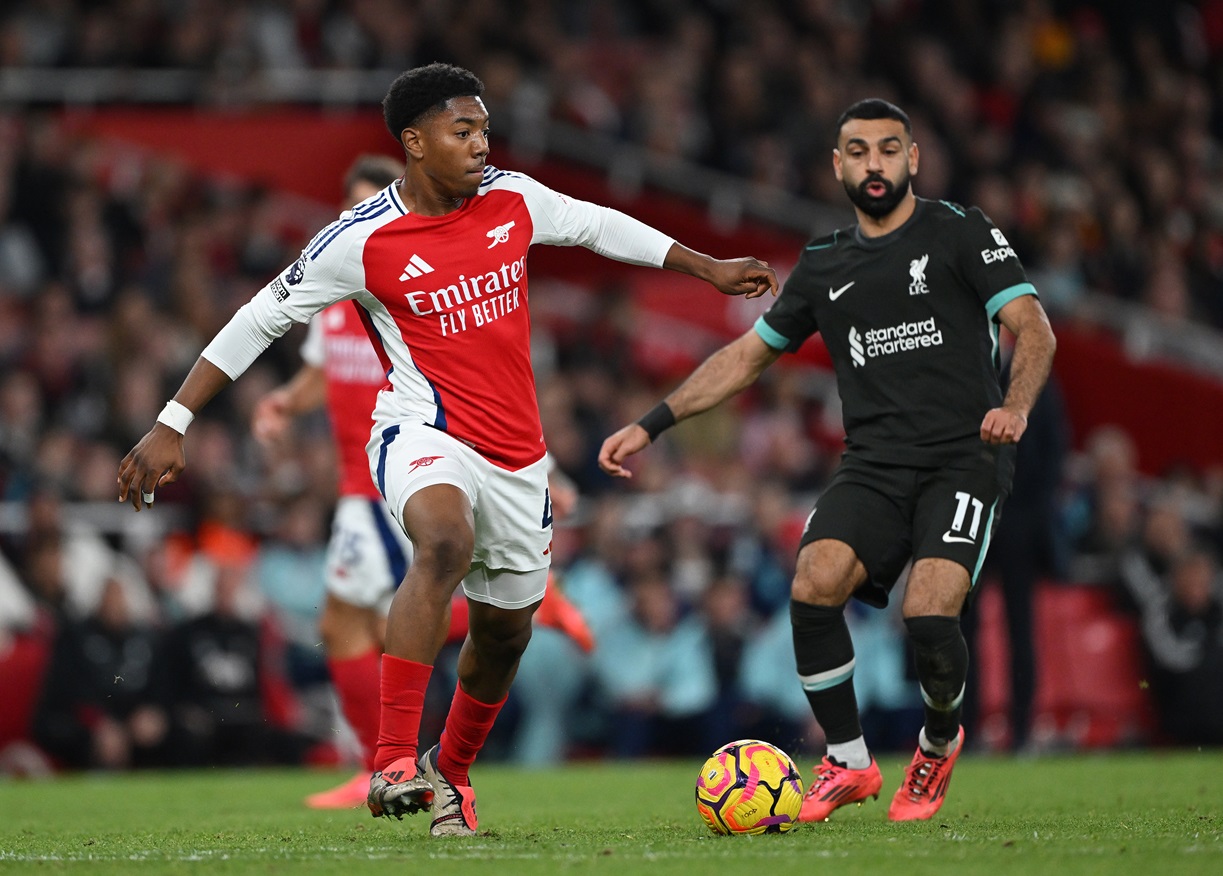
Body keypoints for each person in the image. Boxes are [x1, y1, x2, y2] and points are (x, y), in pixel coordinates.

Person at [117, 62, 777, 836]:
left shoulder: (512, 198)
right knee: (442, 542)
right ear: (414, 142)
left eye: (483, 130)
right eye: (462, 131)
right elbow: (259, 317)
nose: (479, 144)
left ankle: (450, 775)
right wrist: (173, 420)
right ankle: (393, 757)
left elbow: (601, 225)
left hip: (518, 459)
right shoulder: (360, 241)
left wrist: (706, 267)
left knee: (503, 636)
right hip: (420, 432)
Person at [599, 98, 1056, 822]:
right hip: (873, 463)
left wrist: (1017, 405)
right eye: (857, 151)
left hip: (962, 458)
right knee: (812, 584)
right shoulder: (822, 263)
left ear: (912, 160)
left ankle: (937, 744)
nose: (873, 163)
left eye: (886, 149)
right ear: (837, 165)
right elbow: (747, 357)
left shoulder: (961, 231)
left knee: (929, 614)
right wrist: (652, 423)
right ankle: (848, 762)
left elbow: (1032, 329)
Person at [251, 154, 590, 808]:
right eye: (351, 205)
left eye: (373, 201)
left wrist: (546, 471)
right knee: (358, 619)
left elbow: (482, 396)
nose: (363, 216)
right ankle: (384, 756)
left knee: (361, 615)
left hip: (410, 479)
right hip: (359, 484)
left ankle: (380, 760)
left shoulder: (420, 303)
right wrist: (285, 404)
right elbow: (321, 372)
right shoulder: (336, 292)